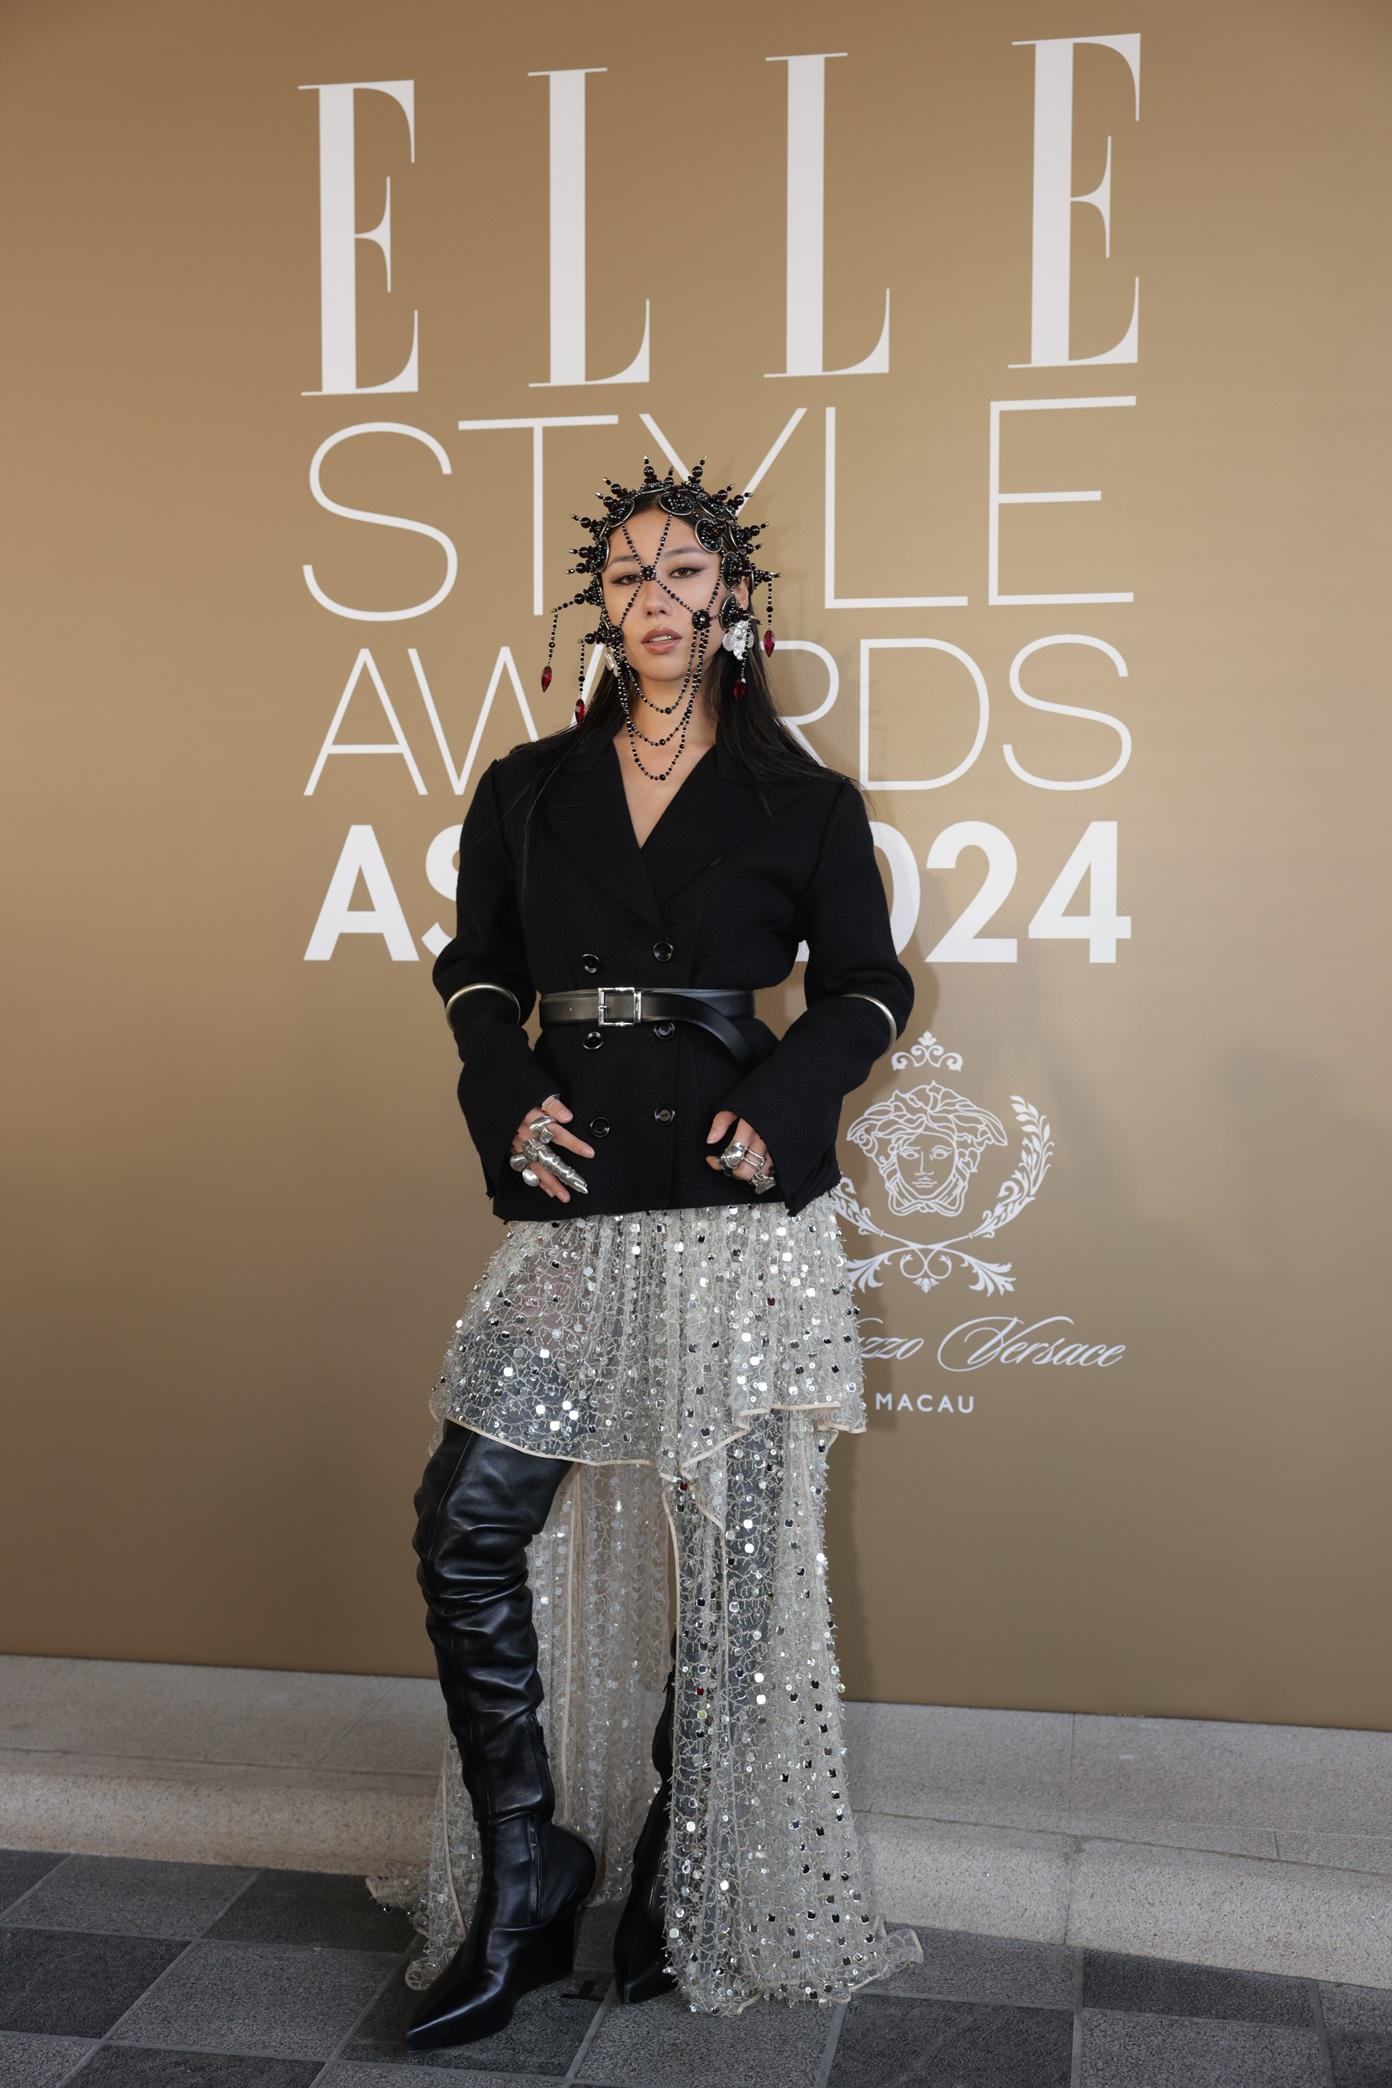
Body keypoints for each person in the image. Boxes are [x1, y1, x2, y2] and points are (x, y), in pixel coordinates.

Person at [367, 458, 925, 2049]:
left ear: (732, 599)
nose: (656, 598)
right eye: (626, 575)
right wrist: (500, 1088)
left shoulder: (806, 799)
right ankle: (528, 1872)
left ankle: (692, 1858)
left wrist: (793, 1102)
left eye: (685, 572)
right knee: (466, 1524)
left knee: (734, 1564)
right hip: (582, 1186)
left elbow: (870, 987)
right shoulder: (527, 785)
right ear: (598, 606)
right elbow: (476, 969)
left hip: (739, 1209)